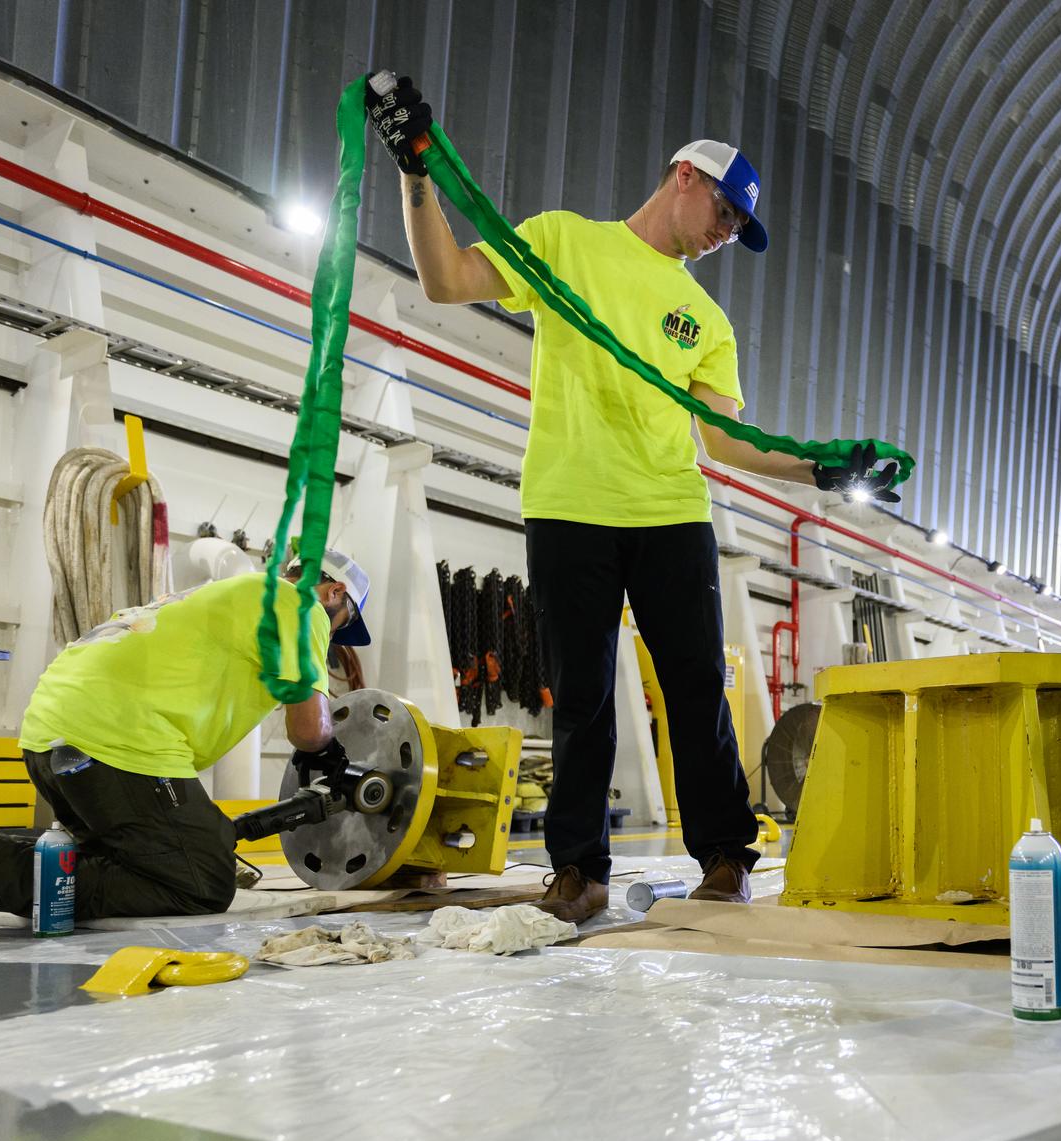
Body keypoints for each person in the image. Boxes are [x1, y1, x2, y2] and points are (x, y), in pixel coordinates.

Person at [368, 74, 891, 920]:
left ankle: (726, 856)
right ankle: (578, 872)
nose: (727, 235)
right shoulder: (563, 242)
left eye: (738, 228)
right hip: (570, 504)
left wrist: (817, 469)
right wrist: (416, 174)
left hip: (670, 515)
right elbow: (445, 279)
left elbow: (723, 441)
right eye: (725, 213)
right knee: (579, 695)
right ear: (684, 175)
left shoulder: (704, 320)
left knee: (693, 690)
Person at [0, 550, 370, 921]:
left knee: (126, 861)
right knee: (200, 882)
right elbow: (309, 732)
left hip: (47, 736)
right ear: (334, 592)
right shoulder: (299, 604)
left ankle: (26, 868)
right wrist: (329, 754)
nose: (335, 634)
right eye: (343, 622)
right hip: (116, 740)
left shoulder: (226, 596)